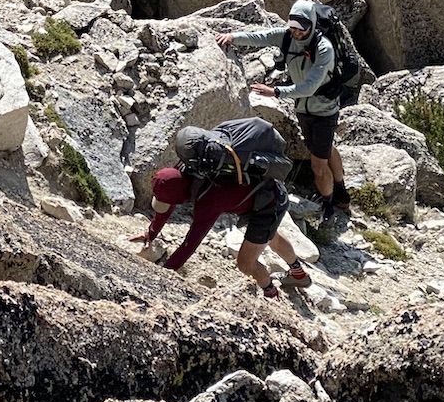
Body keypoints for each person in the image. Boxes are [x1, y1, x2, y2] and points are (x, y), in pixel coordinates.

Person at [217, 0, 360, 226]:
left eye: (301, 30)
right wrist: (234, 37)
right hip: (303, 109)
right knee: (323, 147)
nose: (296, 34)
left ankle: (330, 204)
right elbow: (261, 36)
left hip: (323, 109)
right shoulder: (287, 36)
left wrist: (275, 92)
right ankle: (341, 191)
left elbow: (310, 87)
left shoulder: (324, 49)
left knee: (317, 164)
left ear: (312, 26)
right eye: (293, 28)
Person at [130, 119, 313, 297]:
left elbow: (190, 244)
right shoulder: (189, 164)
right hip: (266, 191)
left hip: (268, 206)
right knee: (270, 236)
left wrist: (163, 275)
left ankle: (270, 293)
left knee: (246, 264)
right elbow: (167, 203)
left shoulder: (209, 199)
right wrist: (151, 234)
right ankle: (298, 275)